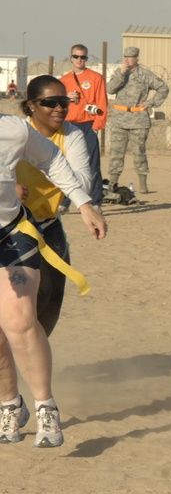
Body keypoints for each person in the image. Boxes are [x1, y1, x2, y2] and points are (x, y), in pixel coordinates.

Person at [0, 78, 107, 447]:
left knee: (22, 321)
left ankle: (45, 405)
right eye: (51, 103)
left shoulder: (12, 131)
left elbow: (51, 159)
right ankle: (10, 403)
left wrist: (84, 203)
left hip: (13, 236)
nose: (59, 109)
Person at [15, 76, 94, 336]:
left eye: (64, 102)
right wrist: (6, 188)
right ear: (31, 106)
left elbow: (82, 182)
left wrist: (48, 162)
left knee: (50, 300)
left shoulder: (71, 135)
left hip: (48, 226)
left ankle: (32, 359)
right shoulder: (15, 133)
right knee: (15, 303)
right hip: (11, 228)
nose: (60, 108)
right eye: (51, 102)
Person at [106, 46, 169, 194]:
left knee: (139, 152)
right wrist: (121, 74)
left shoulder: (145, 75)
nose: (127, 60)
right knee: (116, 152)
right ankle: (112, 183)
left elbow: (163, 88)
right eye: (125, 57)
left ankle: (142, 183)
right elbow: (109, 89)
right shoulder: (119, 73)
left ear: (137, 58)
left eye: (130, 57)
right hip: (120, 120)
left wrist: (150, 103)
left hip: (138, 120)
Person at [60, 44, 107, 208]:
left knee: (92, 164)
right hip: (68, 125)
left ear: (86, 58)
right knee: (65, 164)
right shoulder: (64, 80)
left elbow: (102, 103)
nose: (80, 60)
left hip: (88, 125)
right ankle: (64, 201)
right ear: (70, 58)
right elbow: (57, 104)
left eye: (83, 57)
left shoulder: (96, 78)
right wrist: (66, 98)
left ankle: (95, 202)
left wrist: (96, 126)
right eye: (76, 56)